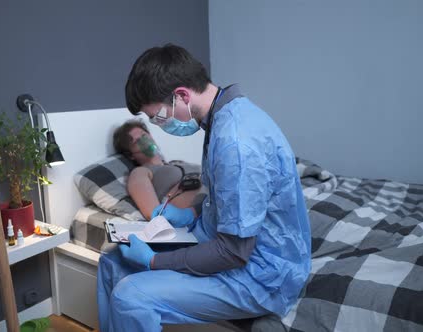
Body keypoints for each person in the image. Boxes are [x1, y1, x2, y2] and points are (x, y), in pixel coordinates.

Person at [97, 44, 311, 332]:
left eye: (159, 118)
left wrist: (154, 261)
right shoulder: (221, 116)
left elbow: (233, 253)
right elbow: (227, 199)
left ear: (182, 95)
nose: (160, 127)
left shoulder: (235, 142)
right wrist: (191, 214)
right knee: (111, 261)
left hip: (259, 276)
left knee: (130, 296)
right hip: (223, 241)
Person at [112, 119, 205, 220]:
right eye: (137, 142)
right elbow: (155, 216)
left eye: (144, 135)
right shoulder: (140, 172)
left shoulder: (176, 163)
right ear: (131, 155)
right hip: (200, 213)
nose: (145, 142)